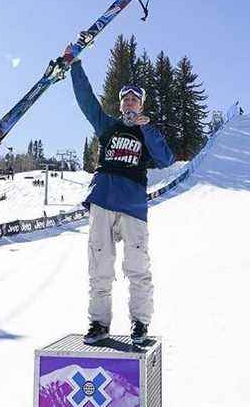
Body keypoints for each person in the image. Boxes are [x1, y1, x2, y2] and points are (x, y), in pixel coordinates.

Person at [66, 46, 175, 345]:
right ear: (120, 103)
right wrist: (75, 65)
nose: (129, 102)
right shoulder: (108, 126)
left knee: (138, 267)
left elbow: (166, 159)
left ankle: (140, 323)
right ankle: (99, 324)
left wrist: (148, 128)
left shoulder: (146, 132)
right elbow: (86, 101)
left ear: (140, 106)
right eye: (125, 98)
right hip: (103, 200)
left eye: (134, 99)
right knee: (99, 266)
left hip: (134, 206)